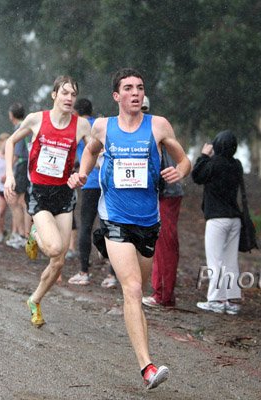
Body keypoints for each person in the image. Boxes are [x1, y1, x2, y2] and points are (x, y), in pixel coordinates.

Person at [68, 68, 191, 389]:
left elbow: (184, 159)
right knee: (133, 289)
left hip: (149, 222)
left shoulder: (158, 125)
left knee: (140, 286)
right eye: (128, 88)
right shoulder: (103, 127)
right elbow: (91, 151)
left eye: (140, 87)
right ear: (117, 96)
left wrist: (179, 171)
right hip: (115, 219)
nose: (136, 93)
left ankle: (133, 324)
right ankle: (147, 367)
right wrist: (83, 174)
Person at [4, 76, 91, 327]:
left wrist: (82, 172)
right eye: (64, 93)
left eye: (73, 95)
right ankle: (34, 232)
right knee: (53, 248)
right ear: (54, 95)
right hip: (39, 193)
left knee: (60, 260)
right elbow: (10, 141)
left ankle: (34, 300)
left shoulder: (81, 126)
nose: (69, 98)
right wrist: (10, 175)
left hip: (64, 195)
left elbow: (96, 151)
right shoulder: (36, 119)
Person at [190, 130, 243, 314]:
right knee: (230, 260)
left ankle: (216, 299)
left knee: (215, 261)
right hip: (235, 219)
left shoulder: (213, 164)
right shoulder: (237, 165)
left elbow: (196, 176)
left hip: (217, 219)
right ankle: (230, 300)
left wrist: (204, 155)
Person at [67, 98, 118, 288]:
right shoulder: (100, 125)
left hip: (88, 182)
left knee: (86, 227)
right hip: (107, 182)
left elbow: (77, 152)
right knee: (110, 226)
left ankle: (84, 272)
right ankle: (112, 275)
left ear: (76, 111)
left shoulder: (79, 126)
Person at [142, 95, 184, 308]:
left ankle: (163, 295)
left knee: (164, 243)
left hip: (166, 194)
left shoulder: (152, 129)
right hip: (161, 194)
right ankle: (162, 292)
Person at [5, 102, 31, 249]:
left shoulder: (19, 128)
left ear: (11, 115)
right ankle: (24, 234)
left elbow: (17, 152)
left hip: (21, 167)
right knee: (23, 201)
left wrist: (7, 172)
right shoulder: (28, 126)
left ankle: (22, 234)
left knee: (17, 201)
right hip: (28, 167)